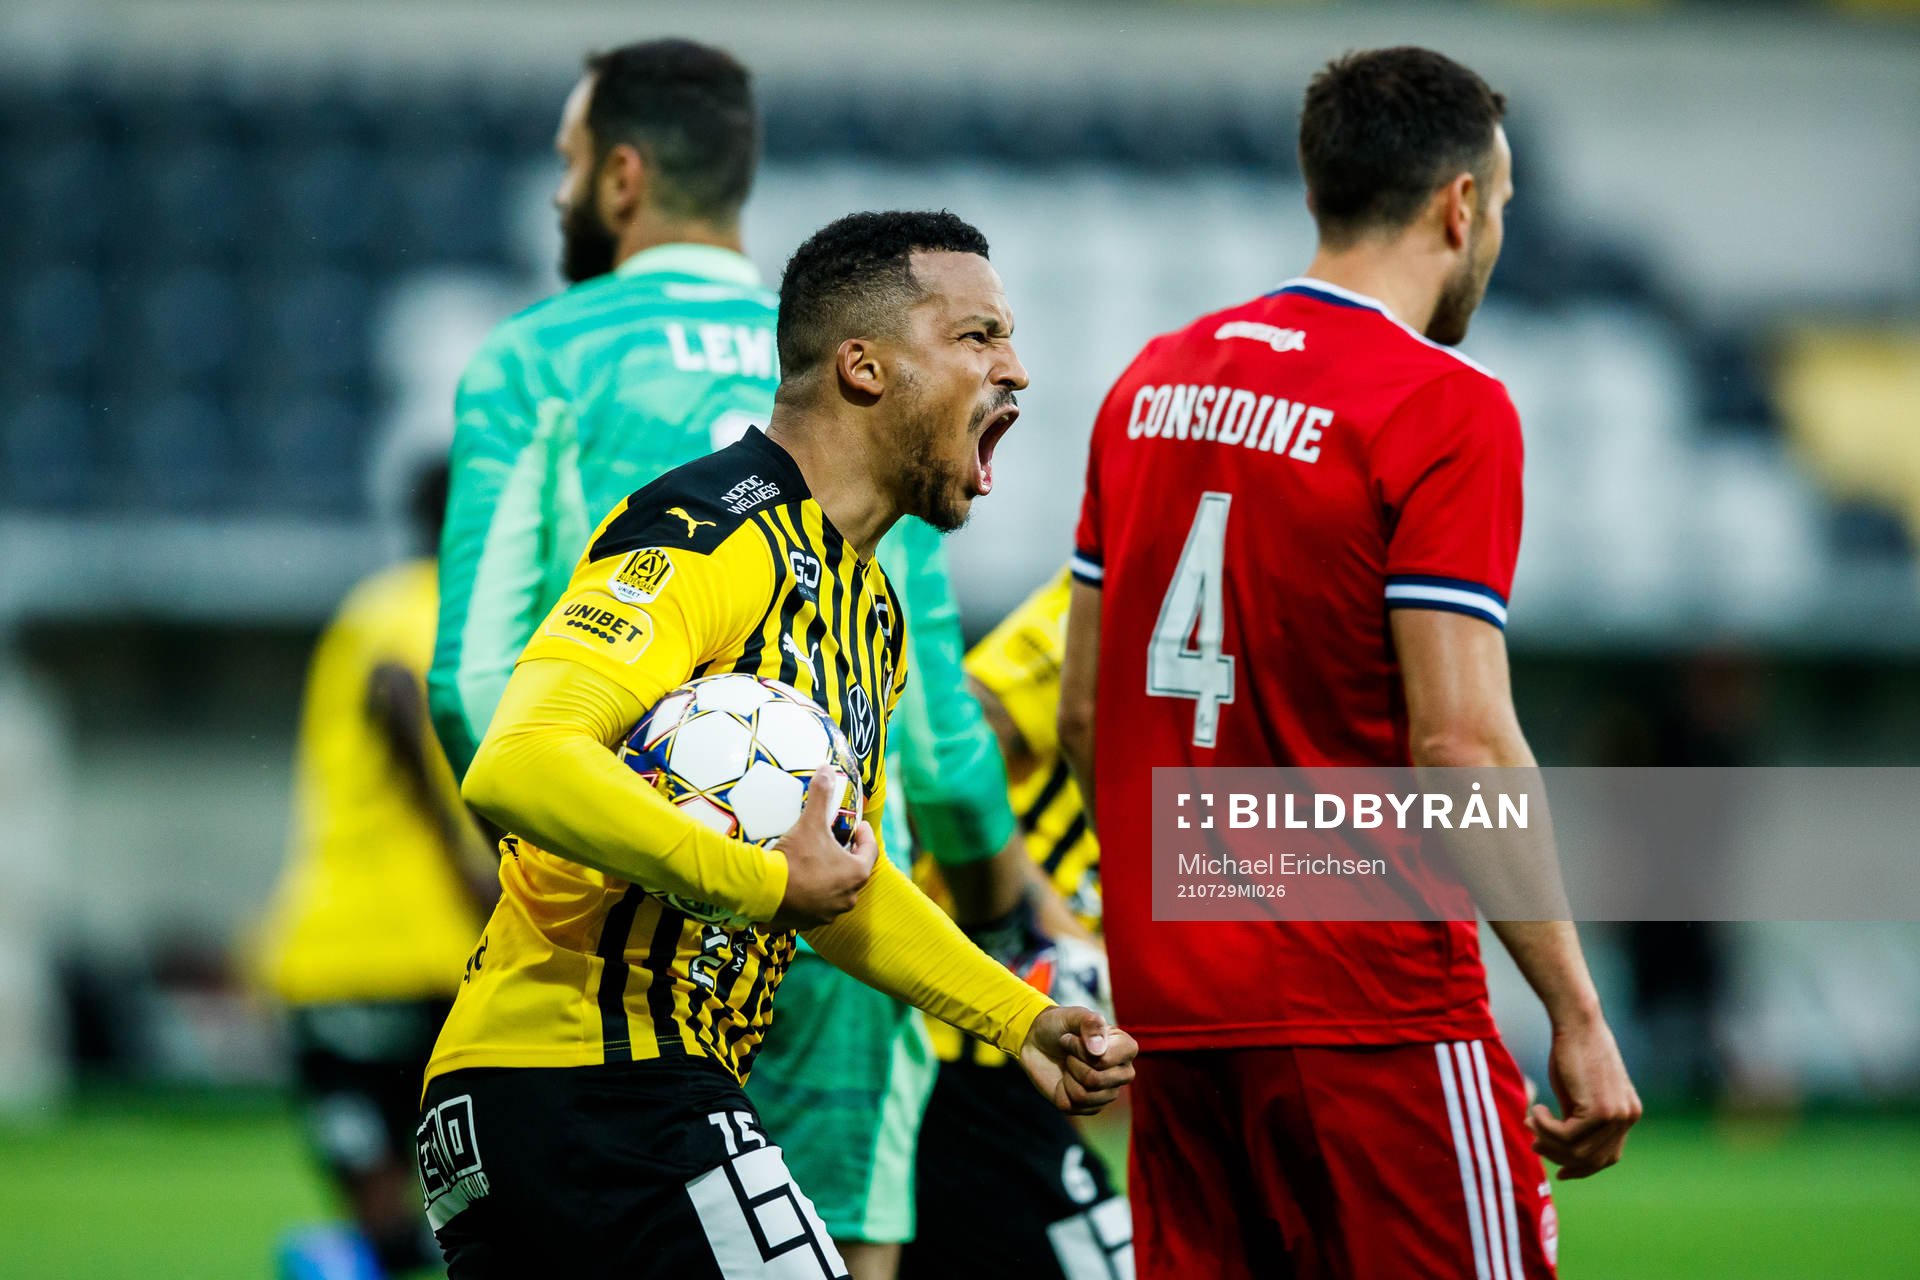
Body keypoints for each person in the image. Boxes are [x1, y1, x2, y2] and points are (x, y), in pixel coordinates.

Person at [417, 210, 1137, 1279]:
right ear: (865, 366)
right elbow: (518, 757)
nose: (1016, 370)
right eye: (978, 336)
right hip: (589, 1080)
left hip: (601, 1097)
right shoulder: (705, 529)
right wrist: (756, 882)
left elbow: (843, 885)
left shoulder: (867, 608)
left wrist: (1021, 1019)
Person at [1058, 48, 1642, 1279]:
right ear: (1462, 205)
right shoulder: (1443, 405)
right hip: (1373, 1013)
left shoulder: (1147, 383)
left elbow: (1082, 714)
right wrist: (1579, 1014)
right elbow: (1462, 743)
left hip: (1179, 1018)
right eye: (1504, 206)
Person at [257, 461, 495, 1280]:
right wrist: (470, 861)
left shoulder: (378, 605)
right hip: (418, 946)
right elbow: (399, 697)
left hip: (356, 952)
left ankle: (335, 1264)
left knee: (398, 1217)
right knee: (446, 1207)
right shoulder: (435, 608)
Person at [905, 566, 1133, 1280]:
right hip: (963, 1040)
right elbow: (949, 762)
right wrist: (1042, 927)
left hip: (1013, 1052)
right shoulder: (1133, 591)